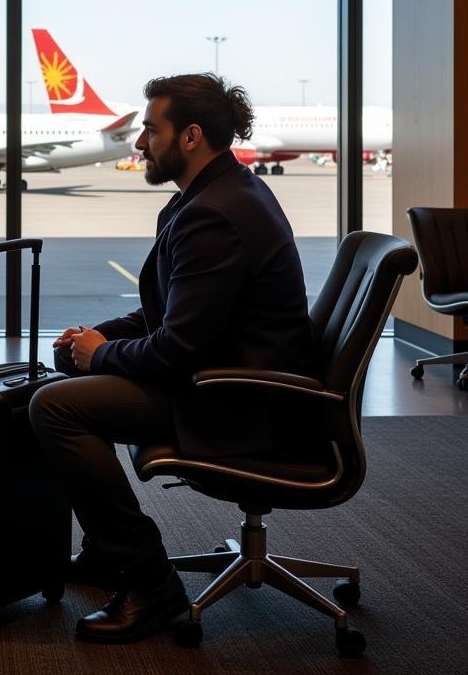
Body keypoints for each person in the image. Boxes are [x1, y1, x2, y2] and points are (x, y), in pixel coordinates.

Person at [29, 73, 316, 644]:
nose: (139, 143)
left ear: (189, 137)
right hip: (224, 374)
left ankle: (149, 582)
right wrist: (95, 339)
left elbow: (179, 346)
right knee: (70, 387)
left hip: (237, 399)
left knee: (55, 409)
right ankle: (106, 551)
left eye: (149, 130)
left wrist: (103, 354)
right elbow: (171, 312)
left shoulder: (215, 216)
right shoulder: (218, 194)